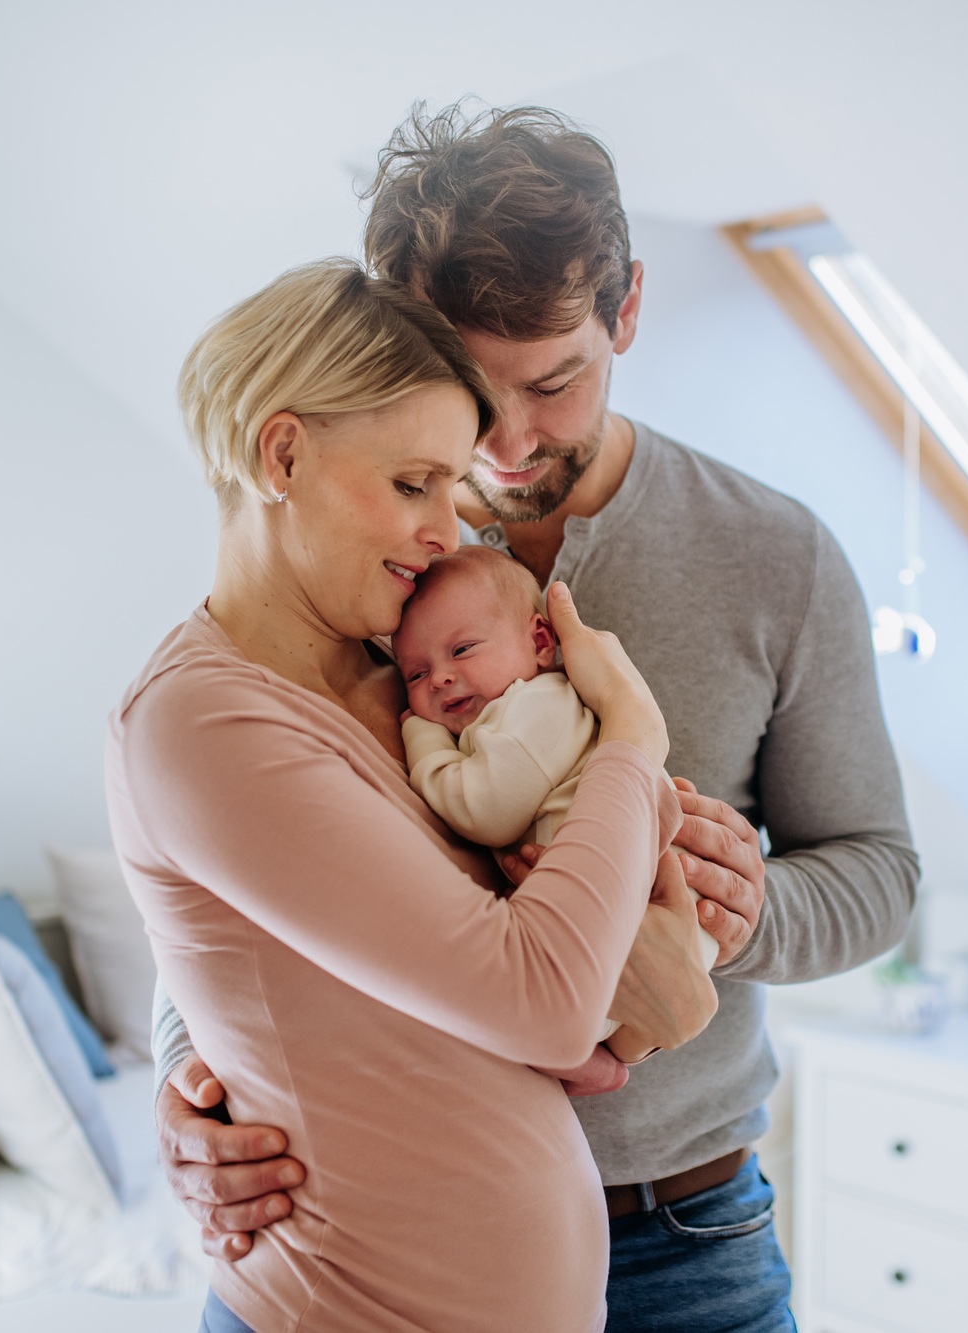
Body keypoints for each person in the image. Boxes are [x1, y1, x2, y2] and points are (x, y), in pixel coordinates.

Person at [154, 104, 920, 1332]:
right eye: (464, 391)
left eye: (552, 383)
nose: (504, 448)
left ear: (624, 312)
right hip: (373, 1242)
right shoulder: (353, 558)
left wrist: (741, 911)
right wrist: (184, 1068)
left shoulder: (772, 556)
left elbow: (881, 875)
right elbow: (227, 851)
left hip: (679, 1239)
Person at [110, 257, 717, 1331]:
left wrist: (675, 949)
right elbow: (538, 994)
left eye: (450, 484)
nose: (449, 530)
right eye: (411, 484)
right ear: (282, 452)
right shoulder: (199, 720)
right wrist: (633, 731)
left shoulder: (398, 678)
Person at [393, 546, 720, 1064]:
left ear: (541, 640)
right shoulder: (513, 714)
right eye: (413, 674)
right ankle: (618, 1052)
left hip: (639, 928)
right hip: (634, 937)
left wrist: (421, 734)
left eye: (463, 650)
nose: (439, 678)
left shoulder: (534, 711)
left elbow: (483, 810)